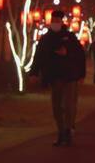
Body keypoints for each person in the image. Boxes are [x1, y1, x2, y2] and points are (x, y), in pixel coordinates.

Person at [29, 10, 86, 147]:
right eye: (53, 20)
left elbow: (79, 54)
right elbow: (39, 56)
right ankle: (61, 132)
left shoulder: (69, 36)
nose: (55, 23)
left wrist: (67, 53)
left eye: (57, 21)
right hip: (54, 77)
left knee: (68, 105)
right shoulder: (46, 38)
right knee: (56, 107)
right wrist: (34, 72)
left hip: (69, 76)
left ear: (62, 22)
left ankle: (68, 130)